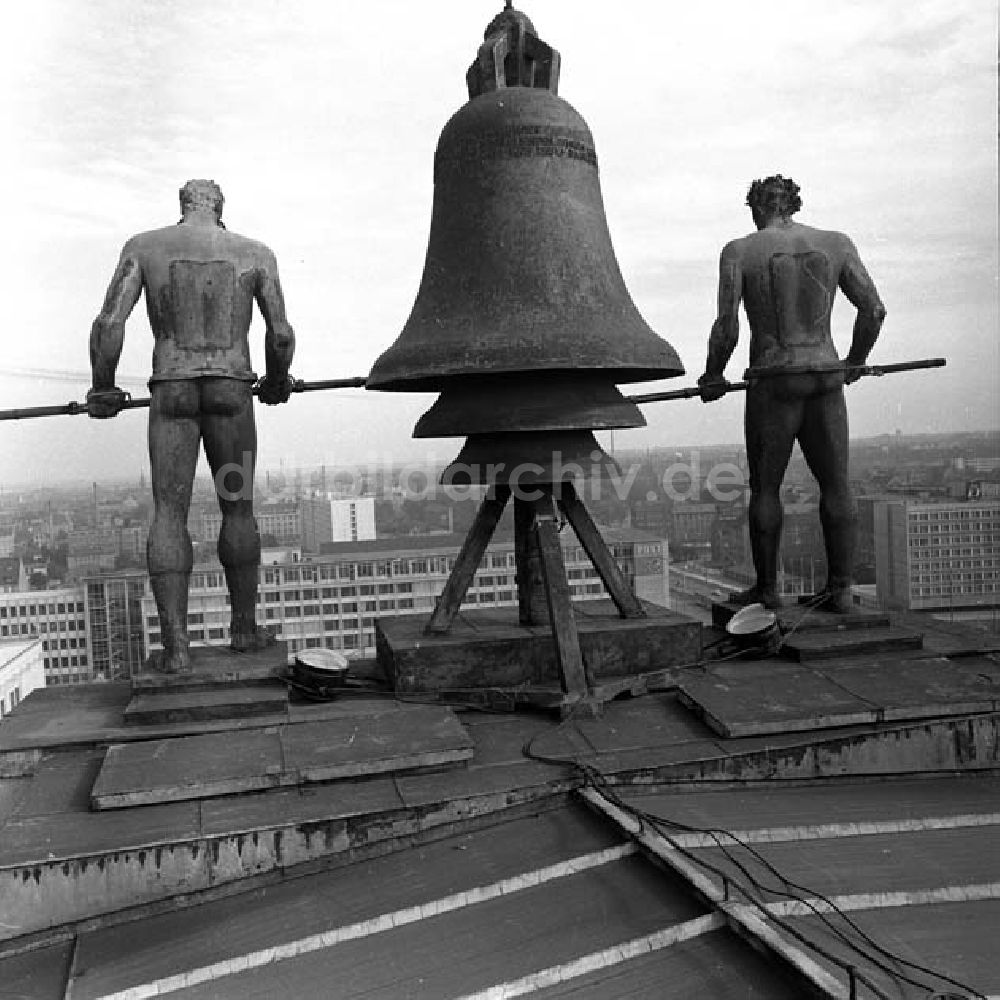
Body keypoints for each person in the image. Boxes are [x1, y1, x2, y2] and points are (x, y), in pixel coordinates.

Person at [88, 179, 295, 671]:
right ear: (220, 210)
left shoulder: (144, 247)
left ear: (182, 207)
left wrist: (103, 386)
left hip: (173, 389)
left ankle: (176, 649)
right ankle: (244, 630)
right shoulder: (255, 253)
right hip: (231, 391)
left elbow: (108, 325)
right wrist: (278, 380)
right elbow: (281, 334)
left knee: (168, 514)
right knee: (238, 510)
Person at [698, 175, 885, 612]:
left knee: (766, 489)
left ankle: (767, 592)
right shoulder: (837, 243)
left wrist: (712, 375)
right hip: (825, 373)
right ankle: (840, 591)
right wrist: (855, 362)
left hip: (774, 377)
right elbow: (873, 309)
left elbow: (727, 326)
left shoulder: (740, 251)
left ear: (756, 208)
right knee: (836, 486)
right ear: (793, 205)